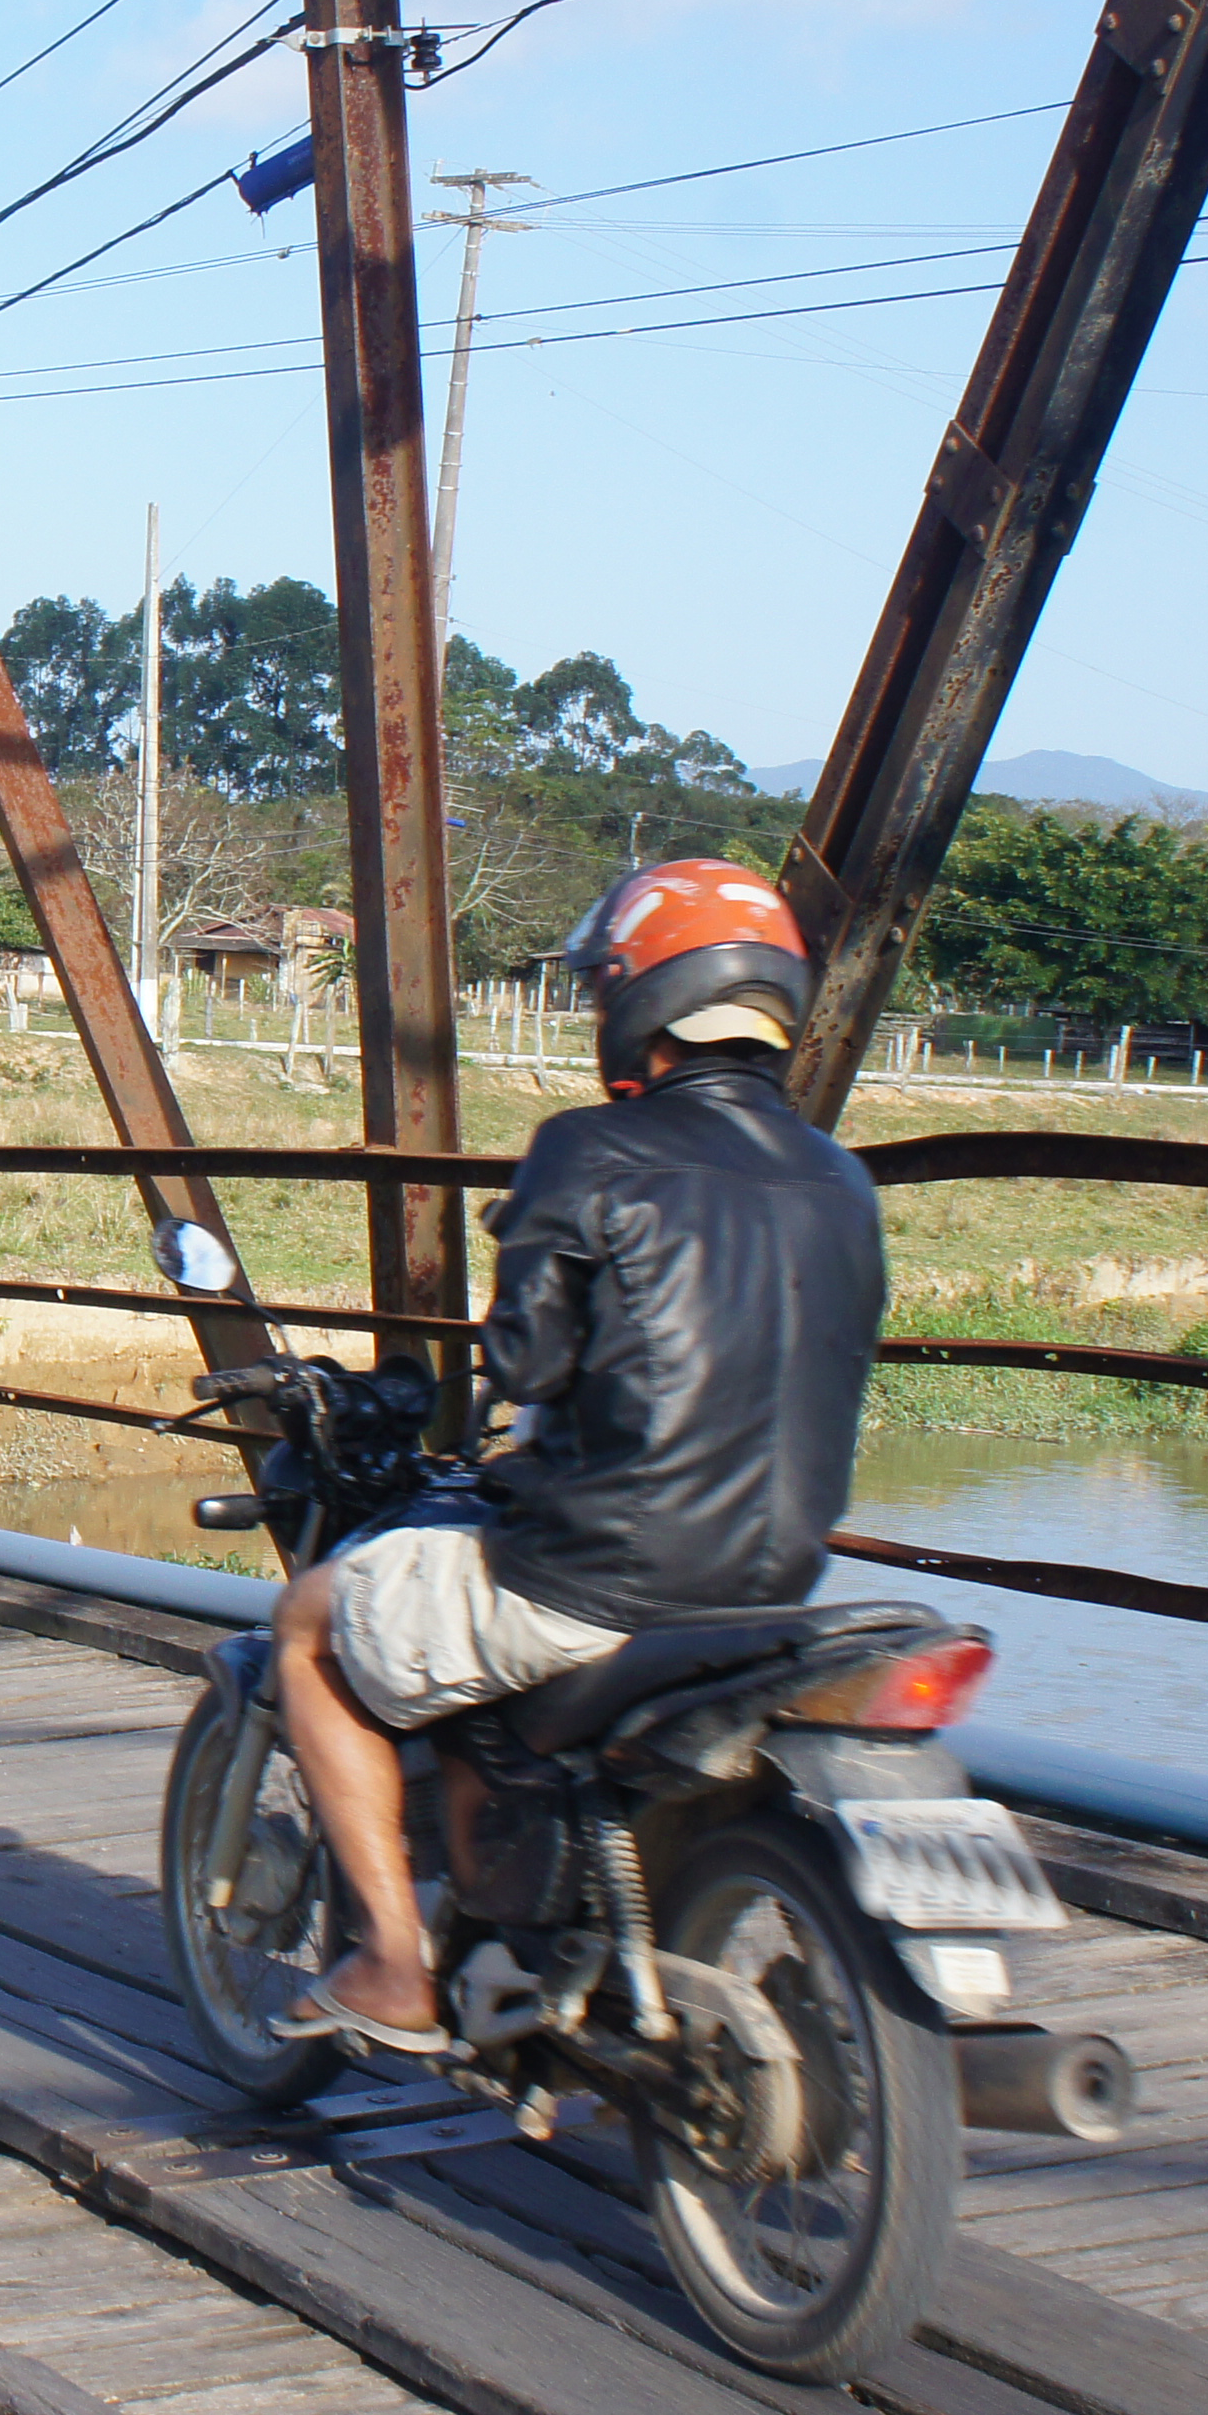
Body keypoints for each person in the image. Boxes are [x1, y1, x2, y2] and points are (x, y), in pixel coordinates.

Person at [263, 857, 889, 2054]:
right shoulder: (841, 1178)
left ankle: (396, 1964)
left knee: (307, 1623)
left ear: (640, 997)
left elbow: (531, 1368)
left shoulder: (591, 1150)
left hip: (599, 1573)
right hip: (768, 1584)